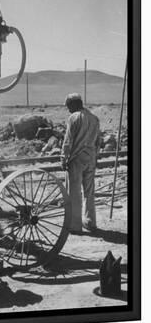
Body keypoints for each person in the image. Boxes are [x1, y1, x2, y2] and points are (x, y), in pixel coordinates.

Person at [61, 93, 101, 233]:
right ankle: (90, 222)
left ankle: (75, 225)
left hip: (76, 159)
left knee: (74, 193)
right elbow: (98, 142)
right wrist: (95, 157)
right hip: (91, 158)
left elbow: (68, 141)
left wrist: (63, 158)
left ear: (74, 104)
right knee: (89, 192)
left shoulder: (74, 118)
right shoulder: (94, 118)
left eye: (68, 106)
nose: (68, 109)